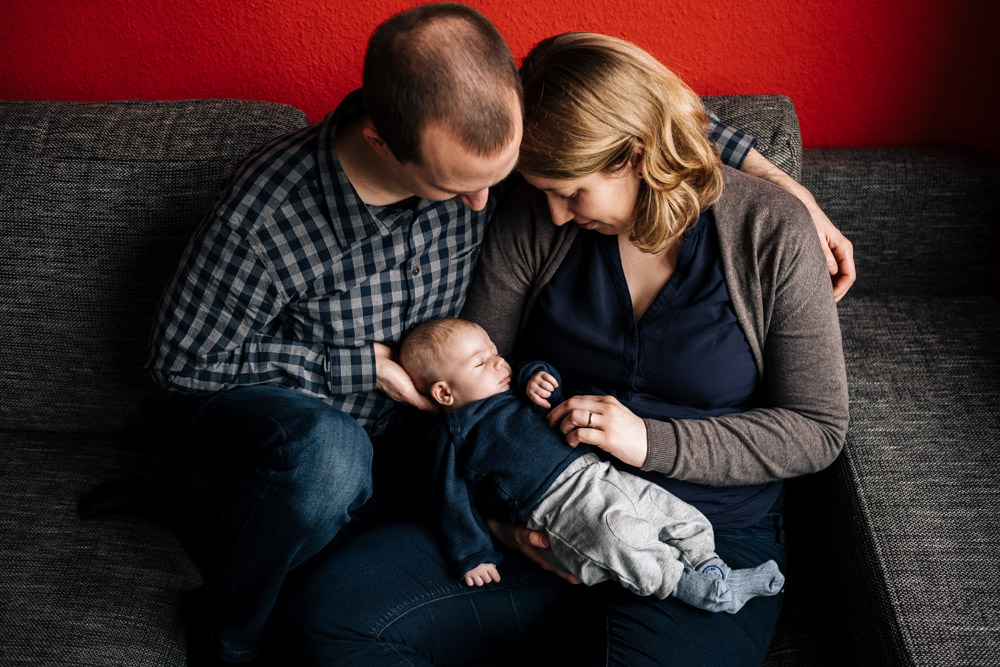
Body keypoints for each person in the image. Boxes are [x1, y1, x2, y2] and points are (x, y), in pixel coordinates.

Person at [146, 3, 851, 663]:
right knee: (330, 619)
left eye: (567, 190)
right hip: (538, 502)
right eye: (531, 186)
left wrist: (777, 180)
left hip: (699, 530)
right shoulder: (523, 208)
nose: (531, 205)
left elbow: (818, 427)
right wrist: (498, 516)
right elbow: (470, 389)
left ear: (633, 157)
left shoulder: (763, 230)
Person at [399, 316, 785, 612]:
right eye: (482, 363)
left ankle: (710, 564)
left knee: (670, 511)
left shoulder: (512, 386)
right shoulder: (454, 434)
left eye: (496, 351)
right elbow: (449, 499)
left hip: (597, 472)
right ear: (444, 392)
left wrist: (538, 376)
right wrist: (474, 553)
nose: (500, 363)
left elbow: (544, 379)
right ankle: (693, 587)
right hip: (555, 507)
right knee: (618, 542)